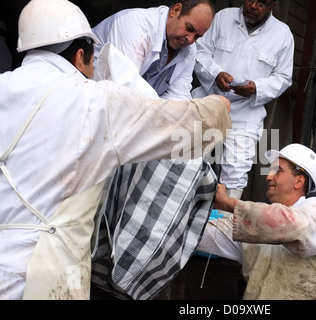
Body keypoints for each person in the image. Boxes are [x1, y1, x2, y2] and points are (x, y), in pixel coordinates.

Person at [0, 0, 231, 300]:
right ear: (82, 54)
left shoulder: (4, 85)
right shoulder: (95, 100)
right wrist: (217, 108)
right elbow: (174, 123)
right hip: (43, 274)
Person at [196, 143, 316, 299]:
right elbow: (199, 235)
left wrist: (228, 203)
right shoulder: (248, 224)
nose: (269, 176)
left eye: (278, 171)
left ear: (299, 181)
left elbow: (293, 226)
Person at [192, 0, 295, 202]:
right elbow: (199, 51)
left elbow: (283, 78)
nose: (253, 5)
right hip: (208, 100)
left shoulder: (282, 35)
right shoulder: (223, 17)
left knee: (235, 172)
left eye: (262, 2)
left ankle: (220, 224)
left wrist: (256, 87)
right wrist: (215, 74)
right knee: (186, 155)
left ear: (273, 4)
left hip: (246, 111)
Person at [92, 0, 215, 100]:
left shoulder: (189, 50)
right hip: (91, 100)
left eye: (197, 36)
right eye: (189, 28)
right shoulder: (137, 26)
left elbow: (179, 96)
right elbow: (125, 90)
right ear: (175, 11)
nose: (190, 39)